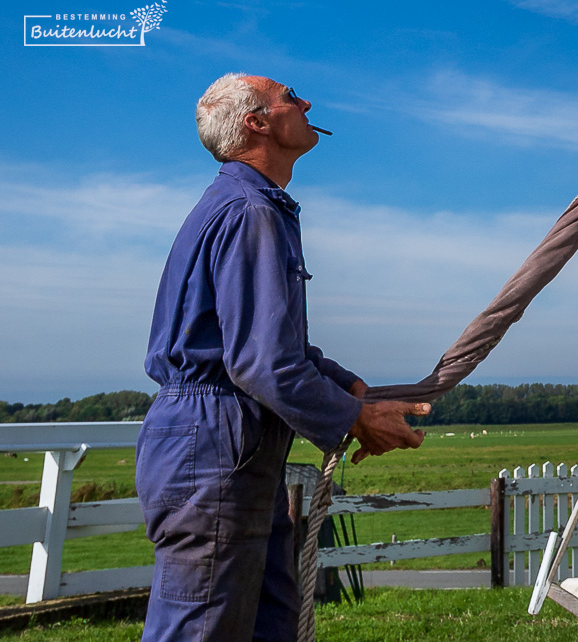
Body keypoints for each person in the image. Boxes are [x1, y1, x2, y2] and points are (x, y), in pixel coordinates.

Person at [137, 73, 429, 641]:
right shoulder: (250, 212)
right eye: (290, 97)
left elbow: (263, 345)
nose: (307, 102)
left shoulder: (249, 206)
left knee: (267, 623)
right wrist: (355, 419)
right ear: (258, 123)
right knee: (205, 628)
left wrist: (346, 387)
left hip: (230, 445)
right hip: (217, 444)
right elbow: (261, 361)